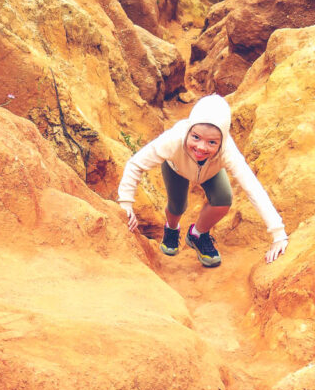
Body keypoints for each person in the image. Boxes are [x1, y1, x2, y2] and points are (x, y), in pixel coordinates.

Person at [117, 93, 288, 267]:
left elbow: (252, 188)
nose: (201, 147)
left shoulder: (228, 151)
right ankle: (172, 228)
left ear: (222, 141)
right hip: (176, 167)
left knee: (223, 200)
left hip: (210, 171)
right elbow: (135, 165)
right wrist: (125, 204)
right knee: (177, 207)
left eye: (212, 142)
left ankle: (197, 234)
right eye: (196, 137)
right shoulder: (173, 140)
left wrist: (278, 234)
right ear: (189, 130)